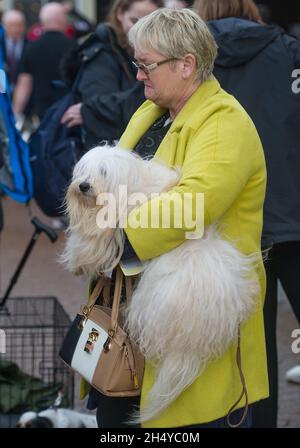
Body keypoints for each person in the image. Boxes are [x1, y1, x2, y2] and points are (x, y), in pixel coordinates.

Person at [83, 7, 269, 428]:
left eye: (146, 65)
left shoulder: (224, 123)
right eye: (137, 64)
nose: (137, 75)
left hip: (193, 320)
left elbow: (192, 205)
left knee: (188, 422)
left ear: (187, 64)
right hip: (137, 319)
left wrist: (108, 236)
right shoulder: (154, 112)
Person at [194, 0, 300, 428]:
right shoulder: (290, 52)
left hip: (230, 225)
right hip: (293, 211)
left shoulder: (192, 63)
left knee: (252, 350)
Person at [60, 0, 163, 150]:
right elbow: (99, 107)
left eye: (150, 23)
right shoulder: (102, 54)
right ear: (120, 13)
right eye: (135, 21)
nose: (142, 30)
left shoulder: (148, 52)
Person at [13, 2, 73, 120]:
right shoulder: (73, 47)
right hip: (69, 112)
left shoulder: (31, 48)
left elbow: (24, 86)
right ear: (62, 20)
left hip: (42, 112)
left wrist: (15, 115)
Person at [1, 10, 27, 91]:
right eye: (11, 25)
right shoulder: (1, 44)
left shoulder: (30, 45)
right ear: (4, 26)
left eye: (19, 25)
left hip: (24, 91)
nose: (16, 29)